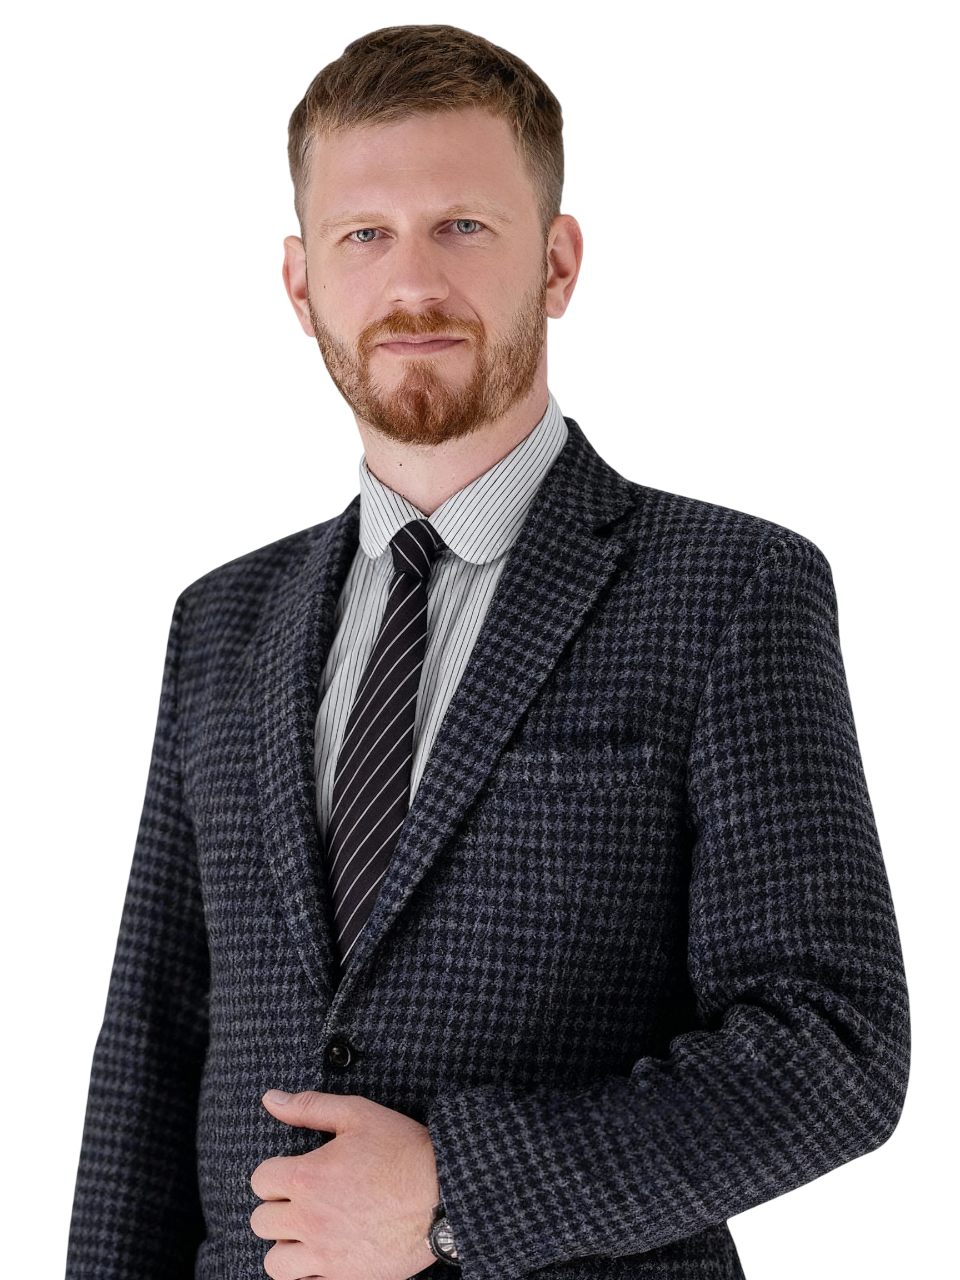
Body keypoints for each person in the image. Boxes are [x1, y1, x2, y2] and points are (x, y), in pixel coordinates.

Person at [66, 23, 910, 1280]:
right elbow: (150, 1043)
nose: (412, 284)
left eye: (463, 226)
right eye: (365, 234)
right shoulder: (221, 619)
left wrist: (454, 1193)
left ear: (558, 263)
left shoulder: (732, 585)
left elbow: (835, 1047)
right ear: (300, 286)